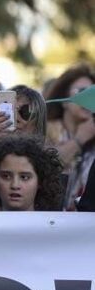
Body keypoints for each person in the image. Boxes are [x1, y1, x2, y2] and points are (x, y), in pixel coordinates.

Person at [45, 64, 95, 208]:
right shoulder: (44, 130)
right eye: (82, 91)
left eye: (92, 92)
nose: (89, 98)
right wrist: (78, 140)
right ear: (65, 101)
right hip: (50, 220)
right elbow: (45, 167)